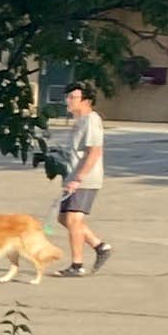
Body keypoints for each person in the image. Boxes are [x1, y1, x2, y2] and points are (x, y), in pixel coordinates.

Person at [53, 82, 111, 274]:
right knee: (63, 218)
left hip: (86, 178)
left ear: (86, 100)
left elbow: (94, 152)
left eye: (72, 98)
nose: (68, 101)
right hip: (73, 176)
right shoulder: (81, 121)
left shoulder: (92, 120)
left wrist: (78, 178)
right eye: (67, 97)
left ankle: (77, 265)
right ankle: (100, 246)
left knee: (73, 220)